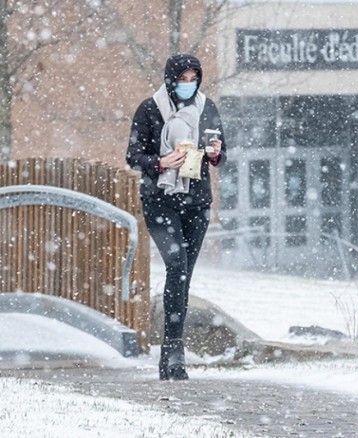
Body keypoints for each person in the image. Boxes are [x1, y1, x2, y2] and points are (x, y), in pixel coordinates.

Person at [126, 53, 227, 380]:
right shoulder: (150, 109)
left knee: (184, 274)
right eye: (182, 79)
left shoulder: (207, 107)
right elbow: (133, 155)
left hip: (197, 203)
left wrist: (215, 153)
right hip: (160, 200)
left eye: (193, 78)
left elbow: (221, 151)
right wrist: (160, 163)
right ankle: (173, 352)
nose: (188, 85)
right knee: (176, 266)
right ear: (170, 79)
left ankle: (172, 350)